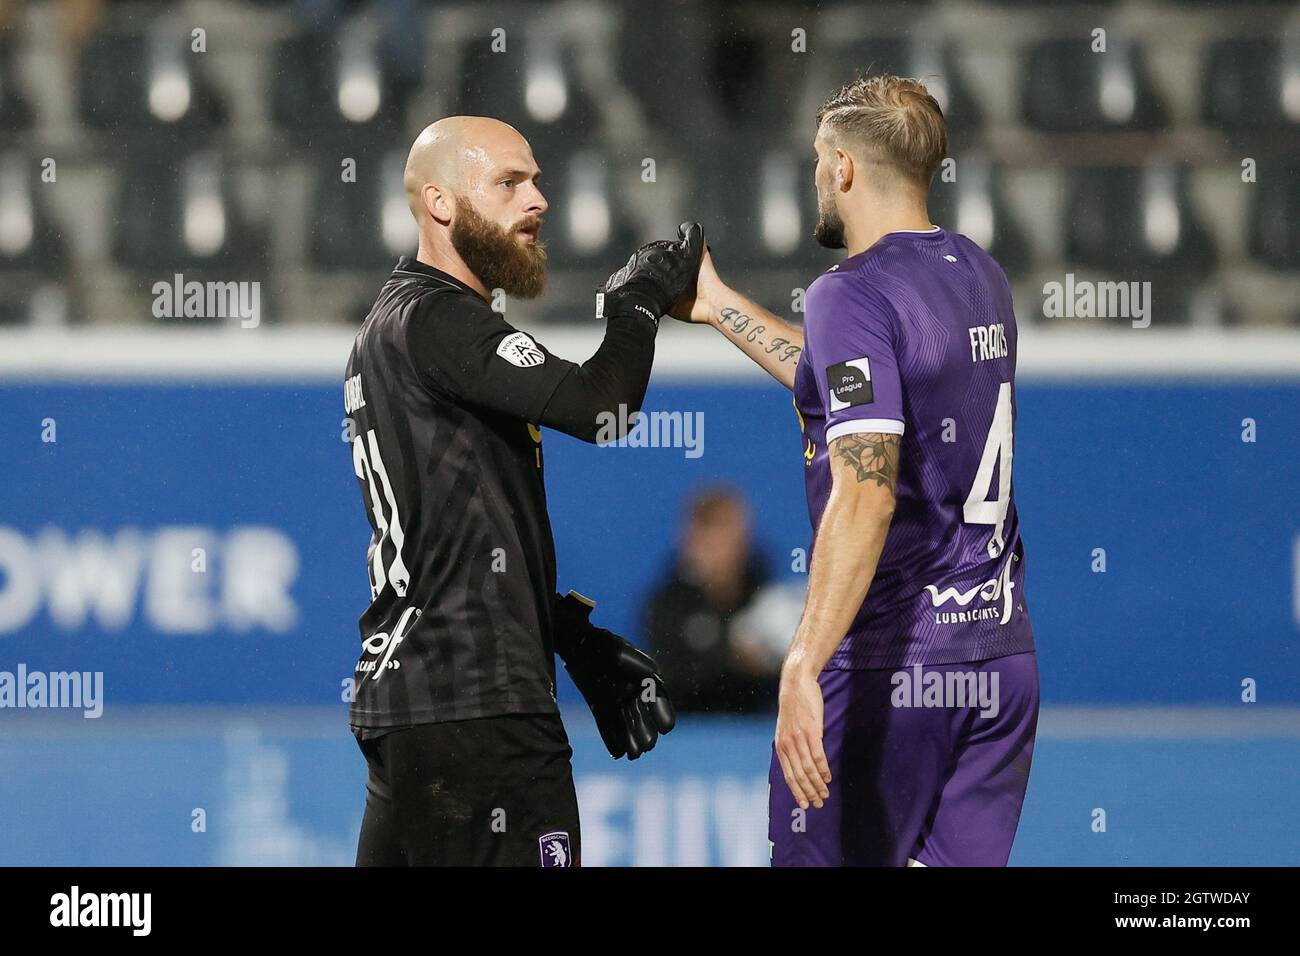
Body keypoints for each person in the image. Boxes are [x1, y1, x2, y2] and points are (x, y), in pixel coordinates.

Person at [672, 75, 1039, 866]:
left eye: (815, 161)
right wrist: (718, 305)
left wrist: (802, 660)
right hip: (999, 669)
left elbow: (867, 491)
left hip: (888, 668)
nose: (814, 179)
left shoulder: (849, 292)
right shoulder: (981, 274)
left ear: (842, 166)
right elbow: (853, 383)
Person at [344, 115, 697, 866]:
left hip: (414, 711)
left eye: (536, 180)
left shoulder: (394, 323)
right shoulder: (441, 316)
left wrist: (568, 637)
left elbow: (455, 532)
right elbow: (602, 409)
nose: (538, 200)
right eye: (509, 182)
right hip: (480, 717)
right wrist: (636, 303)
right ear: (440, 203)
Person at [643, 485, 783, 714]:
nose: (725, 552)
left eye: (734, 540)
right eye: (714, 541)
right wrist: (732, 657)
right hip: (687, 736)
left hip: (756, 733)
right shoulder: (666, 606)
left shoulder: (766, 597)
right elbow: (669, 678)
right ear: (692, 541)